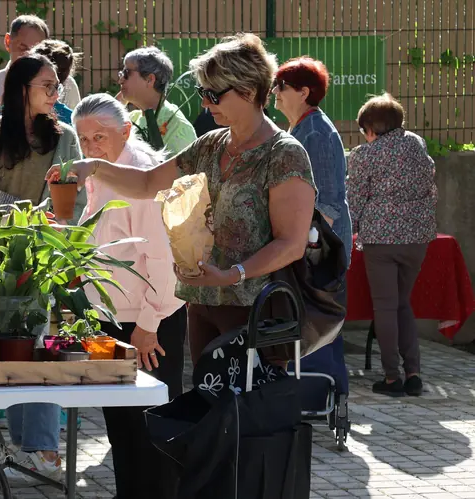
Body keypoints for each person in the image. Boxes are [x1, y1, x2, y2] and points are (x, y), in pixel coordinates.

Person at [48, 34, 316, 382]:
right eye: (204, 92)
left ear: (249, 92)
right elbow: (148, 183)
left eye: (213, 94)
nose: (205, 103)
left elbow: (291, 244)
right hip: (204, 305)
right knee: (207, 406)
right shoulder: (210, 145)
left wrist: (233, 274)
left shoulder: (284, 153)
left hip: (256, 310)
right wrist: (94, 167)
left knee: (249, 410)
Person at [0, 54, 83, 486]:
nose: (55, 93)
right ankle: (22, 449)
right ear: (21, 89)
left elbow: (73, 202)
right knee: (6, 350)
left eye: (57, 86)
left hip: (39, 257)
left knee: (38, 345)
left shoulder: (65, 137)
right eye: (47, 85)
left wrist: (32, 221)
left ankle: (44, 450)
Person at [73, 93, 186, 499]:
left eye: (99, 137)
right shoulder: (102, 172)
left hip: (146, 321)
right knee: (122, 426)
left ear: (125, 131)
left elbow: (163, 260)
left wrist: (148, 326)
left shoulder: (139, 173)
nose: (90, 148)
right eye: (83, 139)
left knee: (150, 427)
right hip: (114, 318)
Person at [347, 93, 437, 397]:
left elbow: (355, 200)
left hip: (381, 238)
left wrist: (349, 230)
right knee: (402, 302)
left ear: (371, 128)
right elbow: (429, 183)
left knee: (385, 306)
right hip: (417, 236)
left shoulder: (364, 155)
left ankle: (391, 378)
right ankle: (414, 374)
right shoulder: (416, 144)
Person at [272, 56, 352, 264]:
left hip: (319, 253)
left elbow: (326, 203)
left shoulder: (316, 133)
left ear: (304, 93)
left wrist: (309, 251)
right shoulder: (304, 126)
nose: (274, 91)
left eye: (281, 85)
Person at [0, 15, 81, 132]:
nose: (29, 56)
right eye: (22, 48)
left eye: (36, 51)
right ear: (8, 41)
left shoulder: (68, 85)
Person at [118, 46, 196, 157]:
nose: (120, 80)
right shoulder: (133, 118)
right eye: (121, 74)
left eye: (126, 73)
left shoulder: (176, 125)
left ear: (149, 79)